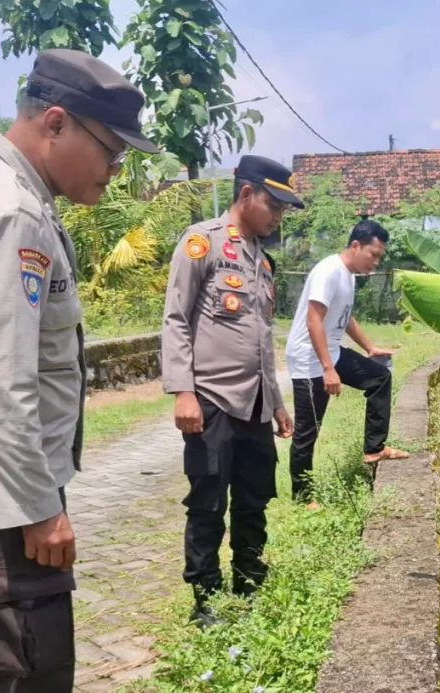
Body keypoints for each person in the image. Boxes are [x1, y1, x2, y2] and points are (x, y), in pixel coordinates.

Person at [0, 49, 158, 693]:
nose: (116, 170)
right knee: (26, 671)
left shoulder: (11, 195)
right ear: (55, 123)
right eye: (111, 150)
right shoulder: (10, 211)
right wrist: (38, 509)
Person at [161, 154, 299, 627]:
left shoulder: (263, 260)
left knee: (254, 498)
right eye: (274, 204)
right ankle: (206, 599)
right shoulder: (204, 244)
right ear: (246, 194)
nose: (279, 215)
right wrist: (183, 391)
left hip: (257, 405)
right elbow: (176, 318)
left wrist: (278, 403)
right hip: (213, 400)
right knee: (207, 503)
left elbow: (262, 336)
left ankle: (250, 582)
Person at [285, 219, 410, 505]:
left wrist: (369, 347)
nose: (376, 262)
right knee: (308, 432)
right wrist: (328, 369)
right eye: (374, 255)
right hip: (309, 359)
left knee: (379, 378)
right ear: (356, 245)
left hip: (332, 352)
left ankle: (374, 449)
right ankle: (303, 498)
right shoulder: (328, 271)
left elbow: (345, 316)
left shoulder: (348, 276)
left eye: (380, 257)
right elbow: (313, 318)